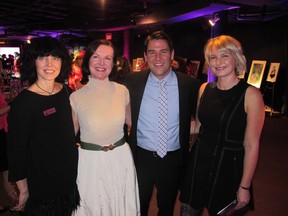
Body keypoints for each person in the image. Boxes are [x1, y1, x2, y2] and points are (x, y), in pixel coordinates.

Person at [179, 35, 265, 216]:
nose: (218, 62)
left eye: (224, 56)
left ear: (236, 57)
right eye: (213, 57)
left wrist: (244, 186)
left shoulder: (251, 95)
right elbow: (198, 128)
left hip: (229, 170)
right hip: (198, 164)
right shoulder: (205, 89)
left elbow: (251, 145)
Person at [124, 31, 200, 216]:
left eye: (163, 51)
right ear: (145, 56)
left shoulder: (190, 85)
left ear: (172, 54)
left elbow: (199, 120)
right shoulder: (131, 82)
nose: (158, 57)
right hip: (141, 157)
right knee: (137, 206)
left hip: (173, 159)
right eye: (152, 52)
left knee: (166, 208)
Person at [7, 36, 80, 215]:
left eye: (55, 57)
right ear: (33, 62)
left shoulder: (66, 92)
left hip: (67, 178)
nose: (49, 64)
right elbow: (16, 152)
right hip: (41, 184)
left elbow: (70, 131)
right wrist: (23, 190)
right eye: (43, 57)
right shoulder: (23, 103)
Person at [70, 39, 140, 216]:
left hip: (120, 159)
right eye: (96, 57)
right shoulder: (76, 97)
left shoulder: (122, 91)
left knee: (120, 205)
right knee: (92, 205)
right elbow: (69, 135)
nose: (102, 63)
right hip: (89, 162)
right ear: (88, 61)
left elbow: (134, 123)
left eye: (107, 58)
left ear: (113, 63)